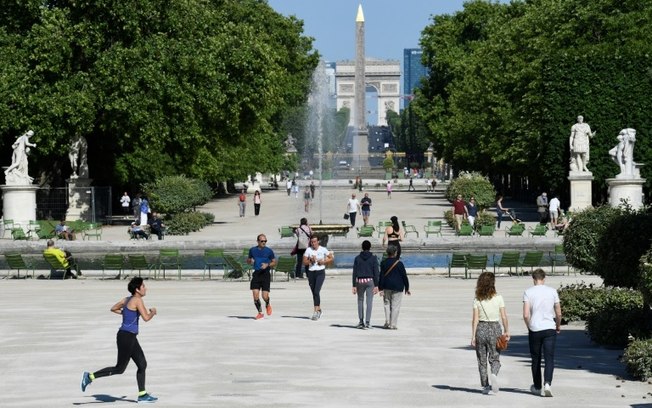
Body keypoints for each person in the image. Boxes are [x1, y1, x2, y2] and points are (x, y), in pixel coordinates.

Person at [80, 277, 158, 404]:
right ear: (137, 290)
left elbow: (113, 308)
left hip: (128, 336)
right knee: (119, 368)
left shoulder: (126, 299)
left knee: (142, 364)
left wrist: (127, 314)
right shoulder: (137, 300)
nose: (145, 288)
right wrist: (153, 312)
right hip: (127, 337)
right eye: (143, 286)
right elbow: (146, 318)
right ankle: (89, 377)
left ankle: (142, 395)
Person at [523, 268, 562, 397]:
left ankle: (537, 386)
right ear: (544, 279)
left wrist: (529, 326)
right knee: (549, 358)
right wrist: (557, 325)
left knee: (536, 359)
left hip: (535, 328)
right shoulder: (552, 291)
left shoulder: (528, 292)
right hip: (549, 327)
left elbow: (526, 314)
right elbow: (558, 313)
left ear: (534, 279)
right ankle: (548, 384)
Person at [471, 272, 510, 395]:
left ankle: (485, 386)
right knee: (495, 357)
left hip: (481, 329)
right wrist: (506, 330)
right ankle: (494, 373)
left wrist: (473, 336)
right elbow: (503, 316)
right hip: (495, 328)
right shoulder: (499, 298)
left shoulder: (477, 299)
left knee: (481, 359)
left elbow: (475, 319)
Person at [378, 245, 410, 330]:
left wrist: (380, 288)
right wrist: (407, 288)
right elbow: (404, 276)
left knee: (386, 304)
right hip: (397, 287)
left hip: (386, 286)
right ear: (395, 253)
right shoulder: (399, 263)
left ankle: (387, 321)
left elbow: (381, 276)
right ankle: (393, 324)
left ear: (387, 253)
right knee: (395, 306)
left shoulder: (383, 263)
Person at [303, 235, 333, 320]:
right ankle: (319, 309)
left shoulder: (323, 249)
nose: (313, 244)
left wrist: (323, 262)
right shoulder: (308, 250)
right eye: (312, 242)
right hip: (311, 272)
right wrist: (310, 260)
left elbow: (331, 258)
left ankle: (315, 311)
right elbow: (304, 262)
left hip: (320, 272)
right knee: (314, 292)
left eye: (315, 242)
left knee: (316, 290)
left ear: (318, 241)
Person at [247, 234, 276, 320]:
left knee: (264, 296)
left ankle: (267, 303)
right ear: (258, 241)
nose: (264, 242)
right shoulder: (252, 250)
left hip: (265, 274)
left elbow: (274, 262)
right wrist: (250, 260)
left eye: (265, 241)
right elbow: (248, 260)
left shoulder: (269, 251)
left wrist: (267, 264)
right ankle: (260, 312)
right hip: (256, 274)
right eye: (262, 241)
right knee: (255, 295)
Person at [352, 240, 379, 329]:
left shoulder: (357, 258)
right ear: (370, 247)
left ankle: (361, 321)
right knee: (369, 302)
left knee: (360, 301)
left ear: (362, 247)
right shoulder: (374, 258)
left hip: (360, 281)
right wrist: (376, 285)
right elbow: (376, 272)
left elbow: (354, 272)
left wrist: (354, 285)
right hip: (370, 280)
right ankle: (367, 322)